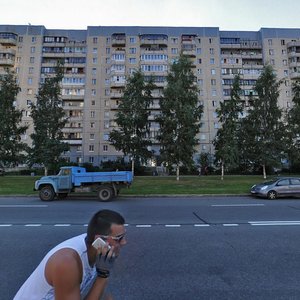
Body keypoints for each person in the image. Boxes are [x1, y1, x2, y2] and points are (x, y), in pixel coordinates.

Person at [14, 209, 127, 300]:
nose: (124, 242)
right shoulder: (67, 263)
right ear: (99, 240)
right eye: (119, 238)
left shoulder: (95, 251)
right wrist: (102, 276)